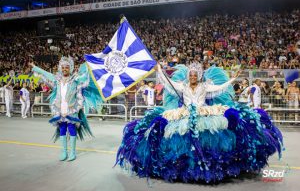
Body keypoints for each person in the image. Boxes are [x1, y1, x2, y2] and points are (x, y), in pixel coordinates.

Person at [116, 62, 283, 183]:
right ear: (189, 76)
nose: (193, 76)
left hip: (204, 112)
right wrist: (159, 69)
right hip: (184, 112)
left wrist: (233, 80)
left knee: (209, 134)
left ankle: (209, 165)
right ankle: (182, 165)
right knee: (174, 133)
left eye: (195, 74)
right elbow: (169, 83)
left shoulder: (204, 87)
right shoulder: (182, 86)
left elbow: (219, 88)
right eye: (191, 74)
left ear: (199, 76)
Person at [29, 56, 101, 161]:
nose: (64, 69)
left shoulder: (75, 79)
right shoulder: (57, 80)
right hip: (59, 108)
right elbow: (46, 74)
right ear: (60, 68)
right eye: (62, 67)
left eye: (66, 67)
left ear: (70, 68)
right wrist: (34, 67)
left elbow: (86, 79)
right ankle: (64, 151)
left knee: (71, 128)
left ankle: (72, 152)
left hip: (72, 108)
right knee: (62, 128)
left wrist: (91, 66)